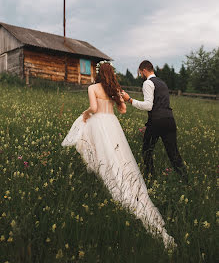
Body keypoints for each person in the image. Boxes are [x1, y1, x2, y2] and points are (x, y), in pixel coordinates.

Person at [62, 62, 176, 249]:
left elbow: (92, 107)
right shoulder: (114, 88)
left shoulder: (92, 87)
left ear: (98, 73)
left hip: (99, 123)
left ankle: (99, 174)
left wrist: (85, 114)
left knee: (100, 152)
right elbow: (122, 110)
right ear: (112, 74)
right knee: (120, 157)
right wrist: (118, 100)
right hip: (112, 124)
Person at [122, 60, 188, 184]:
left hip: (157, 122)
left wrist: (129, 100)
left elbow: (148, 106)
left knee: (146, 151)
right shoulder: (162, 83)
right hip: (169, 120)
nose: (140, 75)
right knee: (174, 154)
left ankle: (150, 179)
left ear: (144, 70)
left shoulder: (148, 83)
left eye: (140, 72)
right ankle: (186, 181)